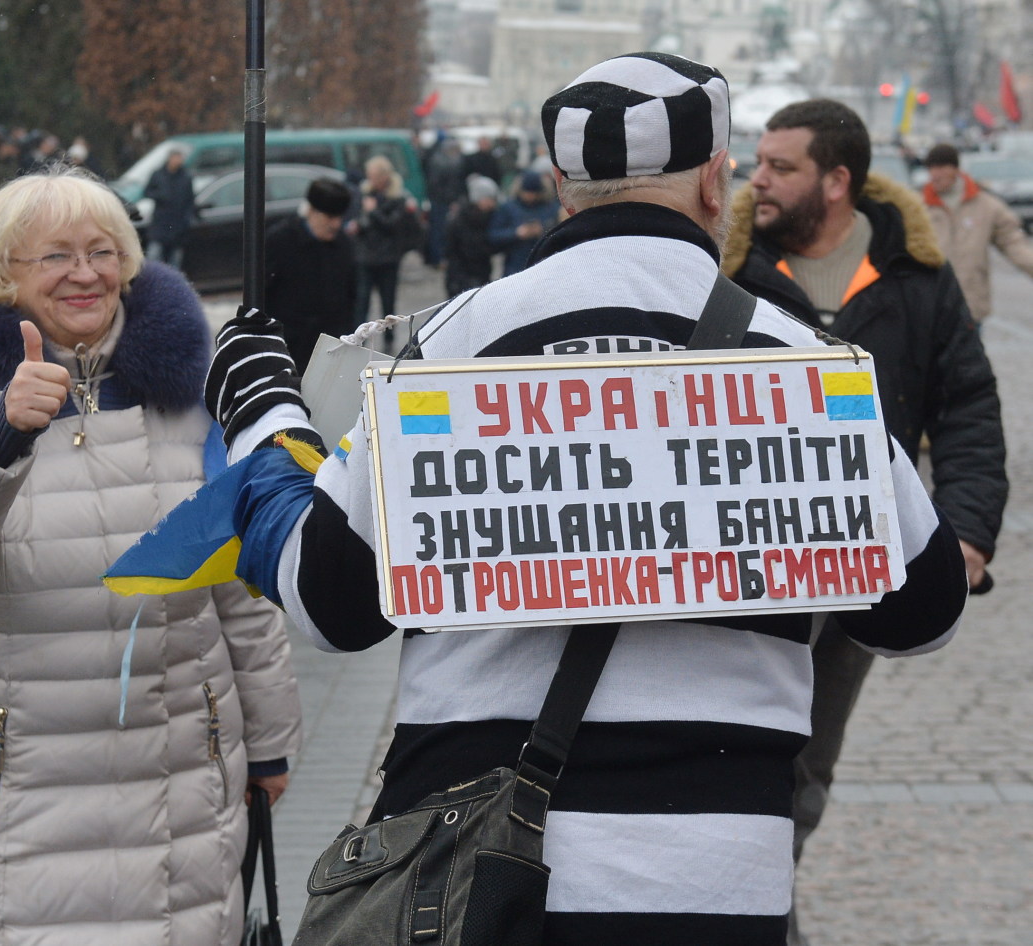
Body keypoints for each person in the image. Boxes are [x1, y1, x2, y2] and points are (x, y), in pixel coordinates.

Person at [202, 52, 968, 945]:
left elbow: (329, 599)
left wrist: (261, 420)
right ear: (717, 184)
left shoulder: (456, 344)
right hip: (717, 888)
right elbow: (925, 610)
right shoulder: (799, 361)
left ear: (563, 184)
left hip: (480, 885)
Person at [0, 167, 302, 944]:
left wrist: (268, 741)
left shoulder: (192, 394)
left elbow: (237, 584)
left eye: (103, 251)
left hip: (182, 782)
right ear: (2, 274)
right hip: (18, 785)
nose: (86, 273)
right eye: (56, 256)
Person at [722, 99, 1006, 946]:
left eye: (780, 167)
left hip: (869, 565)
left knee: (808, 767)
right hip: (753, 570)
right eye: (756, 162)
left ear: (837, 181)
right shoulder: (727, 276)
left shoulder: (915, 277)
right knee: (743, 751)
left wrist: (965, 533)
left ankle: (772, 906)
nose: (755, 179)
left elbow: (967, 408)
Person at [920, 142, 1033, 326]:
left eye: (940, 167)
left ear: (955, 169)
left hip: (970, 305)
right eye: (931, 168)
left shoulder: (986, 206)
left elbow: (1014, 245)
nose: (935, 174)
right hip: (929, 307)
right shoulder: (918, 207)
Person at [263, 177, 357, 373]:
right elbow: (263, 294)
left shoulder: (343, 245)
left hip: (330, 350)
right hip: (287, 350)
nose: (336, 224)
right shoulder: (280, 241)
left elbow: (351, 296)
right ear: (311, 212)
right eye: (330, 217)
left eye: (340, 218)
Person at [350, 154, 420, 346]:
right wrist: (358, 224)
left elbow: (393, 225)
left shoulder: (398, 197)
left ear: (384, 176)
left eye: (373, 176)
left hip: (388, 257)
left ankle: (389, 341)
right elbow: (362, 220)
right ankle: (359, 338)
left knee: (388, 302)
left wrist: (373, 212)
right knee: (362, 301)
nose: (370, 180)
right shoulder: (365, 193)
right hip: (366, 256)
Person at [489, 169, 560, 276]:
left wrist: (543, 230)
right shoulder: (508, 208)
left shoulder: (551, 208)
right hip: (515, 267)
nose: (530, 197)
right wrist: (516, 233)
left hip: (543, 267)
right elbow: (493, 235)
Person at [443, 173, 499, 296]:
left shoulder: (487, 217)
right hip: (462, 275)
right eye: (489, 199)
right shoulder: (461, 219)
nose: (492, 204)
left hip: (479, 273)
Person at [144, 148, 196, 267]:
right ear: (169, 159)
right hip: (160, 223)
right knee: (153, 255)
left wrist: (187, 219)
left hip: (178, 225)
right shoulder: (158, 174)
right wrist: (160, 196)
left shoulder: (186, 177)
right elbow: (147, 192)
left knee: (175, 261)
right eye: (175, 158)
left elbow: (190, 200)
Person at [422, 136, 466, 266]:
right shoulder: (440, 162)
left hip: (444, 200)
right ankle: (438, 258)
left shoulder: (447, 160)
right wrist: (450, 199)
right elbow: (436, 184)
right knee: (439, 230)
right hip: (441, 202)